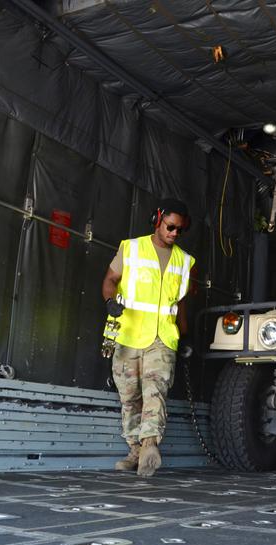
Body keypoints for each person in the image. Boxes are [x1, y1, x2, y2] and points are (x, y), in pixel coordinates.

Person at [102, 198, 195, 477]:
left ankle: (150, 444)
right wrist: (109, 301)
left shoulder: (186, 261)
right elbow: (110, 279)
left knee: (156, 390)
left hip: (163, 338)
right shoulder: (130, 248)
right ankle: (135, 451)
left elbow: (182, 304)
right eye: (170, 227)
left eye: (180, 229)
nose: (175, 233)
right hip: (128, 334)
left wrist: (186, 335)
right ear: (157, 220)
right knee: (130, 397)